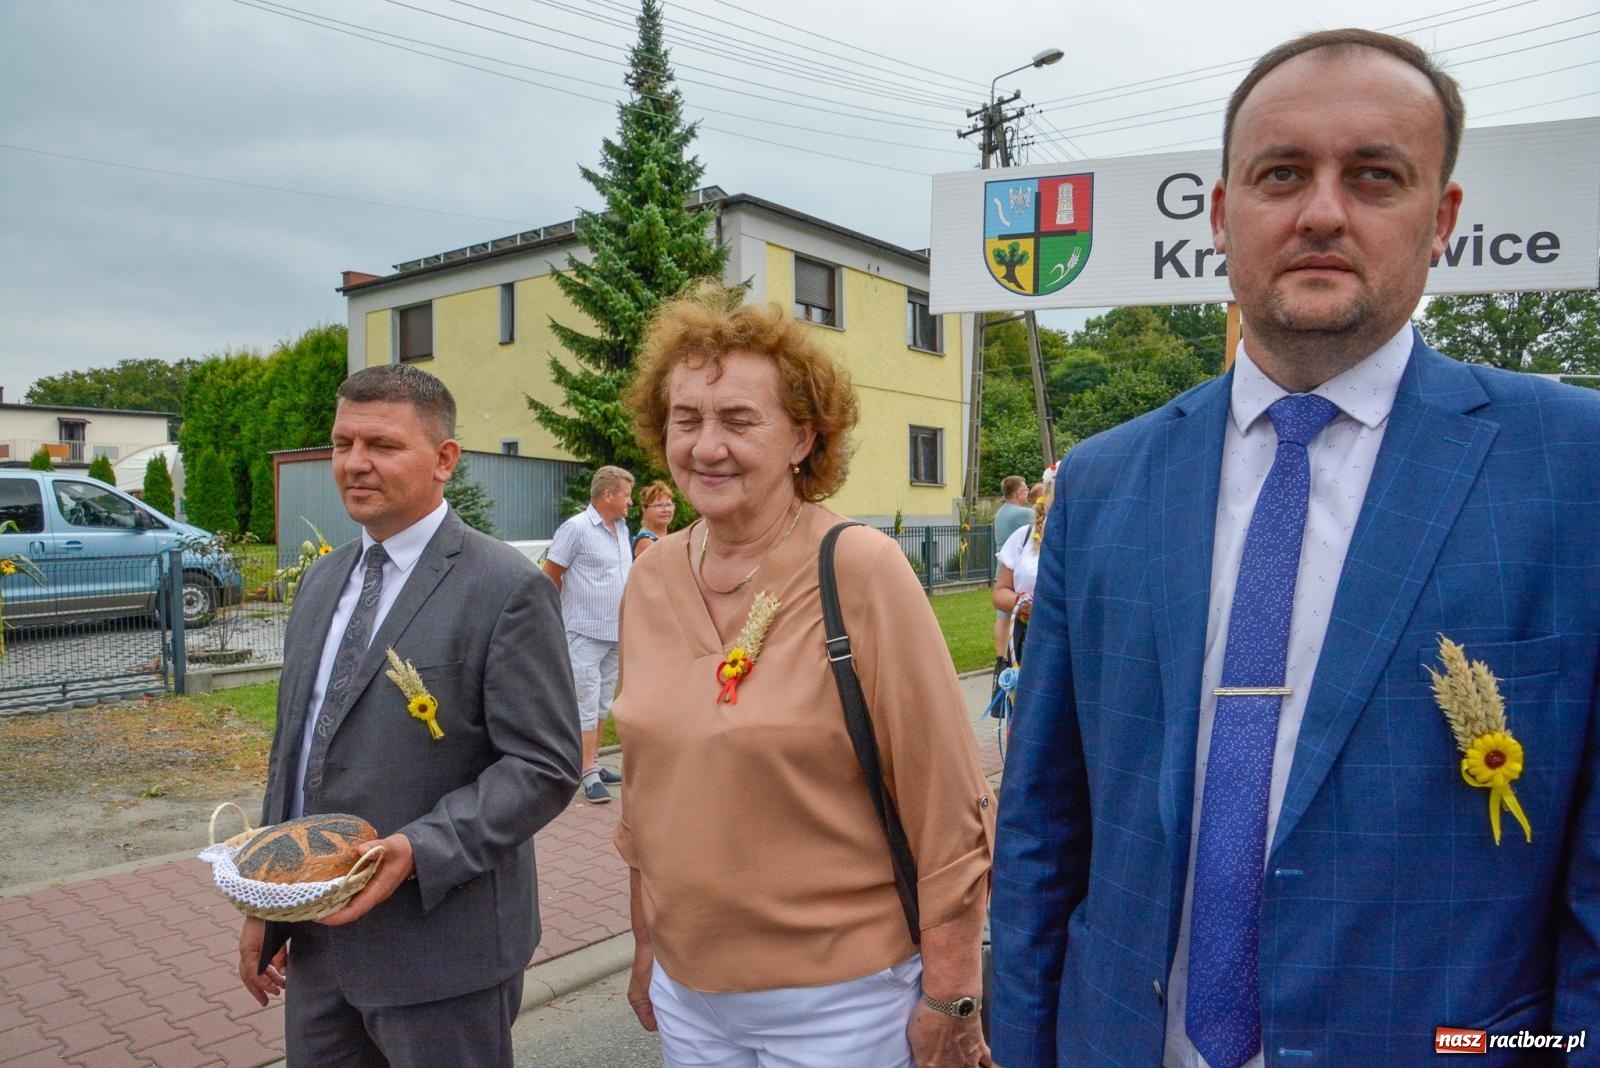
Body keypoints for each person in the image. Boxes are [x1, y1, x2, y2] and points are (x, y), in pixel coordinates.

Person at [990, 28, 1600, 1068]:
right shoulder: (1103, 481)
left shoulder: (1573, 467)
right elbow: (1044, 820)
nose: (1322, 210)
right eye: (1281, 174)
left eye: (1374, 175)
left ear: (1441, 217)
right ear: (1222, 215)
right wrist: (1024, 1034)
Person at [613, 283, 996, 1068]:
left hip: (843, 1005)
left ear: (801, 438)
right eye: (687, 419)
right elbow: (646, 793)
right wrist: (646, 941)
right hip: (691, 1000)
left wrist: (953, 995)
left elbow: (947, 803)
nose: (706, 445)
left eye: (738, 420)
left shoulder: (858, 568)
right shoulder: (649, 581)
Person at [238, 363, 582, 1066]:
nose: (355, 465)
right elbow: (299, 751)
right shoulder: (322, 583)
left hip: (442, 951)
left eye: (383, 446)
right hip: (318, 945)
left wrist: (418, 850)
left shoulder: (506, 588)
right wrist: (266, 905)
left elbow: (545, 765)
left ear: (444, 459)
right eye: (342, 444)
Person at [542, 465, 633, 803]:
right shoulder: (576, 528)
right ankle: (587, 772)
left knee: (602, 700)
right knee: (583, 702)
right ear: (608, 495)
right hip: (582, 631)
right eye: (626, 494)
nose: (630, 502)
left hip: (614, 631)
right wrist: (555, 618)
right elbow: (550, 574)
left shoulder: (622, 528)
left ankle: (590, 761)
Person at [991, 478, 1052, 669]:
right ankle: (1003, 661)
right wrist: (1021, 601)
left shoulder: (1001, 513)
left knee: (1001, 619)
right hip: (1026, 636)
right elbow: (1001, 593)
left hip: (1066, 642)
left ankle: (1000, 657)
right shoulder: (1024, 529)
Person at [991, 474, 1032, 664]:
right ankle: (1013, 652)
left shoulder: (1001, 513)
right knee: (1014, 613)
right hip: (1016, 566)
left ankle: (1001, 656)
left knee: (1002, 615)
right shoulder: (1022, 514)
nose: (1027, 494)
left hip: (1002, 565)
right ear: (1017, 493)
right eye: (1025, 490)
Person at [633, 479, 675, 559]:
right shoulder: (645, 542)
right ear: (645, 510)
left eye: (669, 505)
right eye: (659, 505)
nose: (665, 510)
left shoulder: (667, 539)